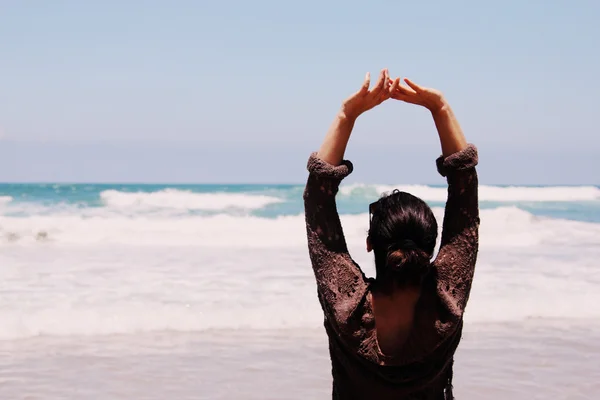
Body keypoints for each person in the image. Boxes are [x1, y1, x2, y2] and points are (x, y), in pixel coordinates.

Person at [303, 68, 479, 399]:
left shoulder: (347, 307)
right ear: (429, 248)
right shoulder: (447, 302)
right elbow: (464, 199)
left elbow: (317, 201)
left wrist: (347, 114)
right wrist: (439, 107)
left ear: (370, 244)